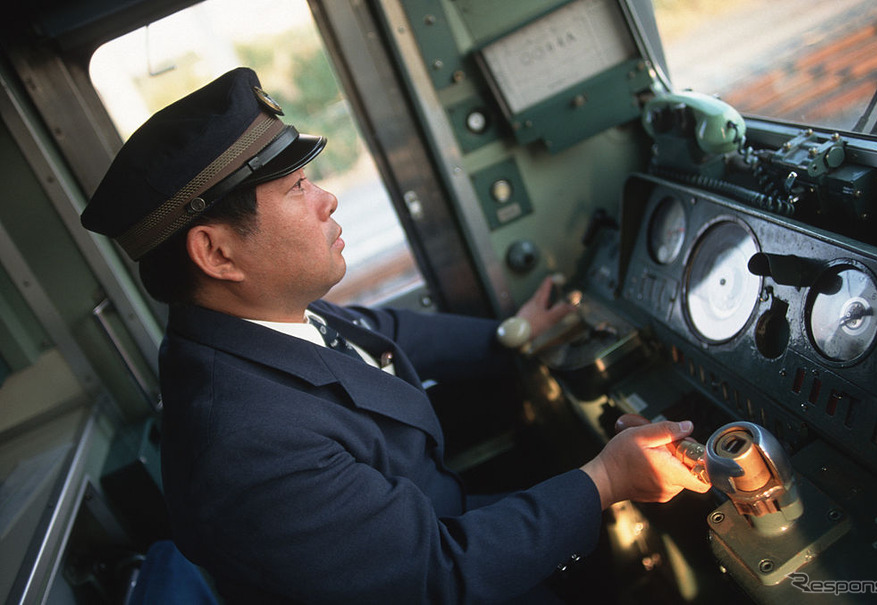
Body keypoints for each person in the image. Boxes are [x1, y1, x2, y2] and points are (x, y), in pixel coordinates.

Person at [82, 67, 709, 604]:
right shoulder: (242, 448)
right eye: (296, 187)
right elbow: (438, 575)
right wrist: (605, 482)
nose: (326, 198)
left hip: (455, 523)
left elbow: (383, 333)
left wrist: (514, 333)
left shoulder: (255, 323)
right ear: (217, 253)